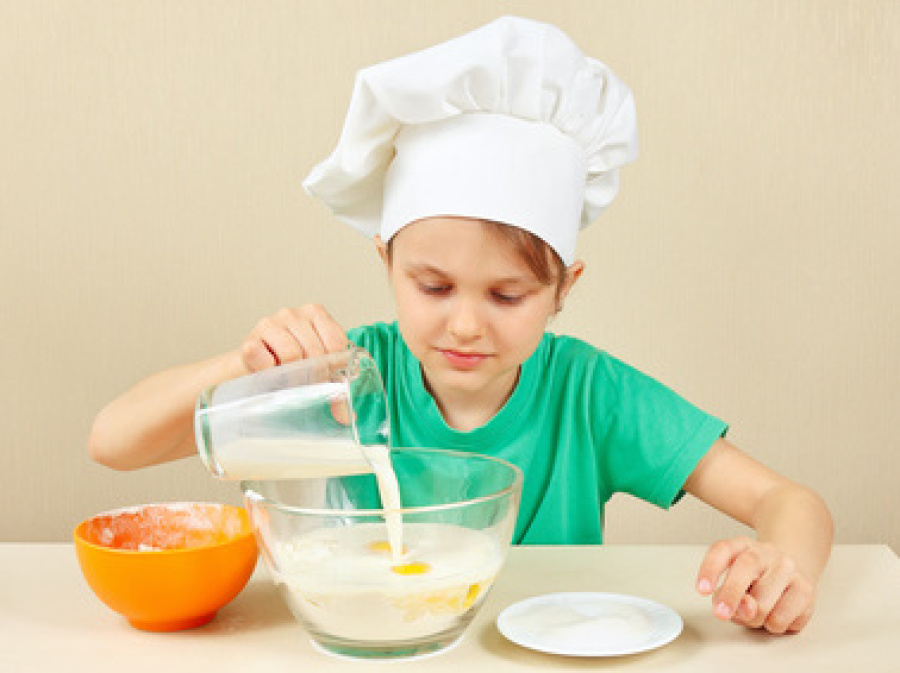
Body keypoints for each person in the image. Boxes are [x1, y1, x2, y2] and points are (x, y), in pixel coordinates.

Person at [89, 16, 833, 635]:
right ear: (387, 261)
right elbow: (113, 442)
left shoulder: (586, 393)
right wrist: (241, 363)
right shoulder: (346, 378)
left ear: (562, 288)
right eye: (433, 284)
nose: (466, 323)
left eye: (507, 295)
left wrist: (782, 564)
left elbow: (790, 502)